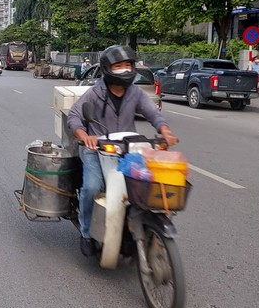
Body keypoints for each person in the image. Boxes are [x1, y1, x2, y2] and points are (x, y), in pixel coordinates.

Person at [67, 45, 178, 257]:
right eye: (118, 66)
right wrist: (85, 136)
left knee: (145, 187)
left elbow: (153, 114)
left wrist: (165, 130)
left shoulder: (135, 93)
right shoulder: (94, 93)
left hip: (128, 149)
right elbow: (74, 117)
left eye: (128, 65)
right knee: (92, 186)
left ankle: (136, 227)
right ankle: (86, 232)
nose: (125, 69)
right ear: (108, 69)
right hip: (97, 149)